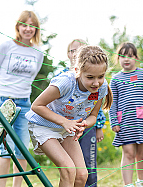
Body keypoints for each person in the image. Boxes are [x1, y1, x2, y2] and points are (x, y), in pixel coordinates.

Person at [25, 45, 113, 187]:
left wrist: (84, 124)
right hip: (43, 125)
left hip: (66, 127)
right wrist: (65, 122)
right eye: (90, 77)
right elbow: (36, 106)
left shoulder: (101, 88)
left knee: (82, 174)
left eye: (101, 76)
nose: (96, 83)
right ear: (78, 71)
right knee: (68, 170)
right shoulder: (66, 82)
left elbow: (93, 116)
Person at [0, 10, 43, 187]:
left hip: (24, 103)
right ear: (18, 26)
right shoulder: (7, 46)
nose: (28, 29)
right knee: (5, 147)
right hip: (3, 100)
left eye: (32, 26)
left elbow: (31, 78)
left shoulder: (38, 53)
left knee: (23, 149)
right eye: (24, 24)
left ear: (36, 29)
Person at [109, 42, 143, 187]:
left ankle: (142, 182)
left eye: (130, 56)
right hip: (125, 123)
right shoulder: (115, 79)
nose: (126, 59)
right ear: (118, 59)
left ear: (136, 57)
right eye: (122, 56)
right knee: (128, 153)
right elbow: (112, 101)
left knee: (142, 154)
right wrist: (114, 122)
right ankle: (128, 184)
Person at [67, 39, 106, 187]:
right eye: (72, 51)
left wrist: (99, 126)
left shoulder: (97, 81)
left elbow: (96, 108)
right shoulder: (65, 78)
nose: (75, 53)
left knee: (89, 161)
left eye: (79, 50)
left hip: (88, 125)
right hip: (69, 126)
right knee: (71, 166)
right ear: (69, 54)